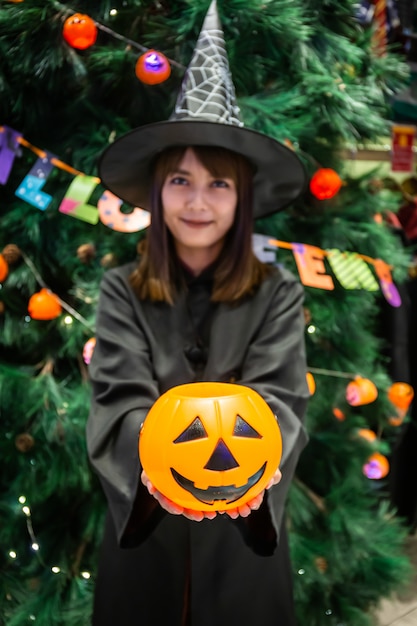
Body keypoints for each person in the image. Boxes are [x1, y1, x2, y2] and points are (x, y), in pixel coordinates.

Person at [86, 2, 310, 624]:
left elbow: (281, 398)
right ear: (157, 190)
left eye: (219, 183)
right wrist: (159, 468)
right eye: (181, 181)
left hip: (244, 535)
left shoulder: (279, 292)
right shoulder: (121, 291)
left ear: (242, 197)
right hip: (147, 533)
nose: (197, 202)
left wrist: (244, 476)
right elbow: (118, 396)